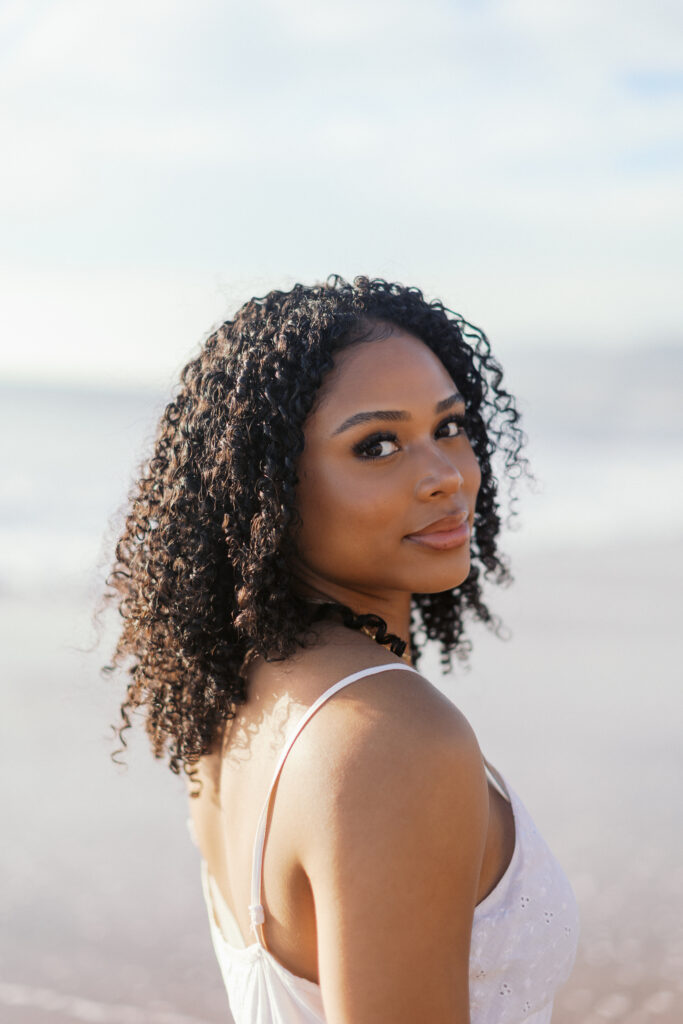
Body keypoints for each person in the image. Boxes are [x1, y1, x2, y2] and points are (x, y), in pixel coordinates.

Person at [104, 275, 579, 1023]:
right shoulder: (390, 741)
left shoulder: (241, 699)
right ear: (267, 490)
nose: (446, 476)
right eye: (377, 445)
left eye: (449, 427)